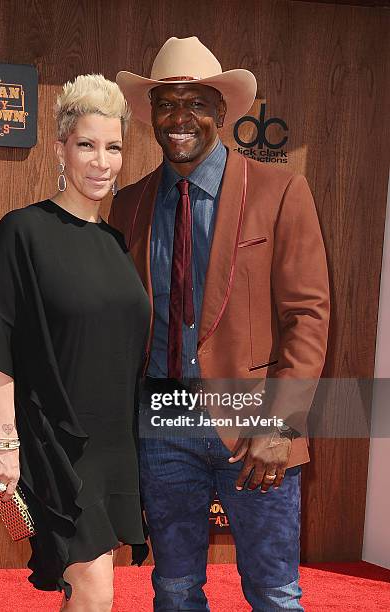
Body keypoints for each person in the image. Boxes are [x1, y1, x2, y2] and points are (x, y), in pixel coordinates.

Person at [110, 37, 330, 611]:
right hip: (163, 426)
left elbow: (307, 316)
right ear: (151, 115)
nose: (180, 117)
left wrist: (279, 426)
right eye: (166, 103)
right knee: (174, 589)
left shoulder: (280, 190)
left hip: (254, 423)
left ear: (220, 112)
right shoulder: (129, 204)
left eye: (196, 102)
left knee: (275, 592)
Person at [0, 74, 150, 612]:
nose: (102, 162)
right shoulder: (21, 233)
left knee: (92, 588)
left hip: (115, 445)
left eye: (114, 146)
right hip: (55, 443)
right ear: (61, 148)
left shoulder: (117, 244)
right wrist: (5, 446)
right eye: (87, 145)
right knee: (95, 591)